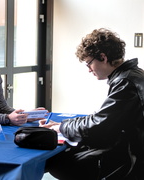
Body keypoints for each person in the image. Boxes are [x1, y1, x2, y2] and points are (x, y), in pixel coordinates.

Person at [39, 28, 144, 180]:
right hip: (130, 149)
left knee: (59, 163)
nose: (89, 70)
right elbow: (103, 118)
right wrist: (66, 124)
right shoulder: (133, 74)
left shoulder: (125, 82)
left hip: (132, 160)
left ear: (103, 57)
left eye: (89, 63)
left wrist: (61, 127)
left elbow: (99, 126)